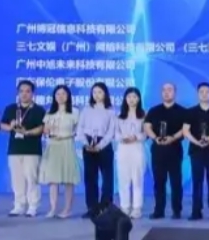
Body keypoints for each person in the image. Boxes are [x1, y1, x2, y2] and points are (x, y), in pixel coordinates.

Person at [1, 79, 45, 217]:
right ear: (18, 93)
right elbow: (2, 125)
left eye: (27, 91)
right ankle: (19, 205)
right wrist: (11, 127)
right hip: (14, 149)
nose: (24, 94)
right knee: (17, 179)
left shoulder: (38, 110)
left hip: (32, 149)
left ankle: (33, 206)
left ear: (32, 93)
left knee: (32, 178)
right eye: (21, 91)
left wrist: (27, 132)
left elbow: (42, 128)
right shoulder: (11, 108)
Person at [144, 83, 188, 219]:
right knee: (159, 182)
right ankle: (159, 210)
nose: (166, 92)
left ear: (175, 92)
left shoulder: (182, 111)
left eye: (169, 90)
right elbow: (147, 126)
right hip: (158, 150)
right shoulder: (154, 110)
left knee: (176, 182)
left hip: (174, 149)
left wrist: (173, 137)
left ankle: (177, 210)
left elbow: (185, 129)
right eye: (164, 90)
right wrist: (155, 138)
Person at [76, 82, 116, 216]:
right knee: (90, 178)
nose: (97, 95)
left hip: (104, 145)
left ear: (105, 93)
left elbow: (111, 132)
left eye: (100, 92)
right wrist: (85, 143)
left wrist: (100, 145)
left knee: (107, 178)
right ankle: (92, 208)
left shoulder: (110, 111)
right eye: (94, 92)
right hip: (88, 144)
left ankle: (106, 207)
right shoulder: (86, 110)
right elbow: (80, 128)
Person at [183, 83, 209, 220]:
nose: (204, 94)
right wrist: (196, 142)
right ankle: (196, 211)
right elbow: (185, 131)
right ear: (198, 94)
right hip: (196, 151)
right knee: (197, 182)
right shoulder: (190, 112)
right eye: (201, 92)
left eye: (207, 92)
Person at [39, 84, 78, 218]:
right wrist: (47, 129)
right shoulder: (49, 113)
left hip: (67, 145)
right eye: (58, 94)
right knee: (53, 179)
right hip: (53, 145)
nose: (60, 97)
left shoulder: (75, 112)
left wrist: (68, 135)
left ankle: (67, 209)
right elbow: (45, 131)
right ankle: (53, 208)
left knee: (68, 179)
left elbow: (79, 131)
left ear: (68, 96)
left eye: (63, 94)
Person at [114, 87, 147, 218]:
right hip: (123, 149)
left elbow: (146, 133)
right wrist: (122, 138)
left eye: (134, 97)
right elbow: (115, 133)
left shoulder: (144, 115)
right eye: (129, 97)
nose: (131, 100)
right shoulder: (119, 116)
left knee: (137, 179)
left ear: (138, 99)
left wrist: (136, 137)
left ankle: (137, 207)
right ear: (125, 99)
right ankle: (125, 206)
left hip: (137, 148)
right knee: (123, 179)